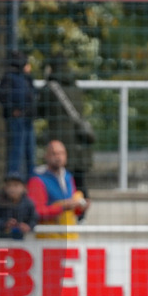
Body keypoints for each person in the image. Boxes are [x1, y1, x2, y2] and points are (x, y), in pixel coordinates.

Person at [27, 140, 91, 296]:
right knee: (52, 291)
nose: (58, 156)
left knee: (70, 290)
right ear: (46, 156)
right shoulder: (38, 181)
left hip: (70, 242)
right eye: (53, 152)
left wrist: (80, 206)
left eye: (61, 152)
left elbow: (72, 211)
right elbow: (37, 212)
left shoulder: (68, 177)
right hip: (50, 244)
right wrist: (64, 205)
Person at [40, 55, 94, 195]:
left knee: (62, 180)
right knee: (79, 180)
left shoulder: (50, 88)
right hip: (78, 143)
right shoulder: (75, 86)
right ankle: (81, 214)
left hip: (60, 140)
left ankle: (66, 210)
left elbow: (39, 110)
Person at [0, 50, 37, 180]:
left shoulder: (26, 78)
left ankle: (31, 177)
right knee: (17, 147)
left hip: (28, 117)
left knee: (30, 149)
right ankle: (14, 175)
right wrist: (12, 110)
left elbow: (33, 95)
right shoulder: (10, 77)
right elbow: (4, 96)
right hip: (17, 117)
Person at [0, 172, 38, 239]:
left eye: (16, 185)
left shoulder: (28, 204)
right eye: (9, 185)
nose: (12, 189)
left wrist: (28, 226)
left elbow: (34, 219)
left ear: (24, 188)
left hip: (20, 240)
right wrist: (4, 224)